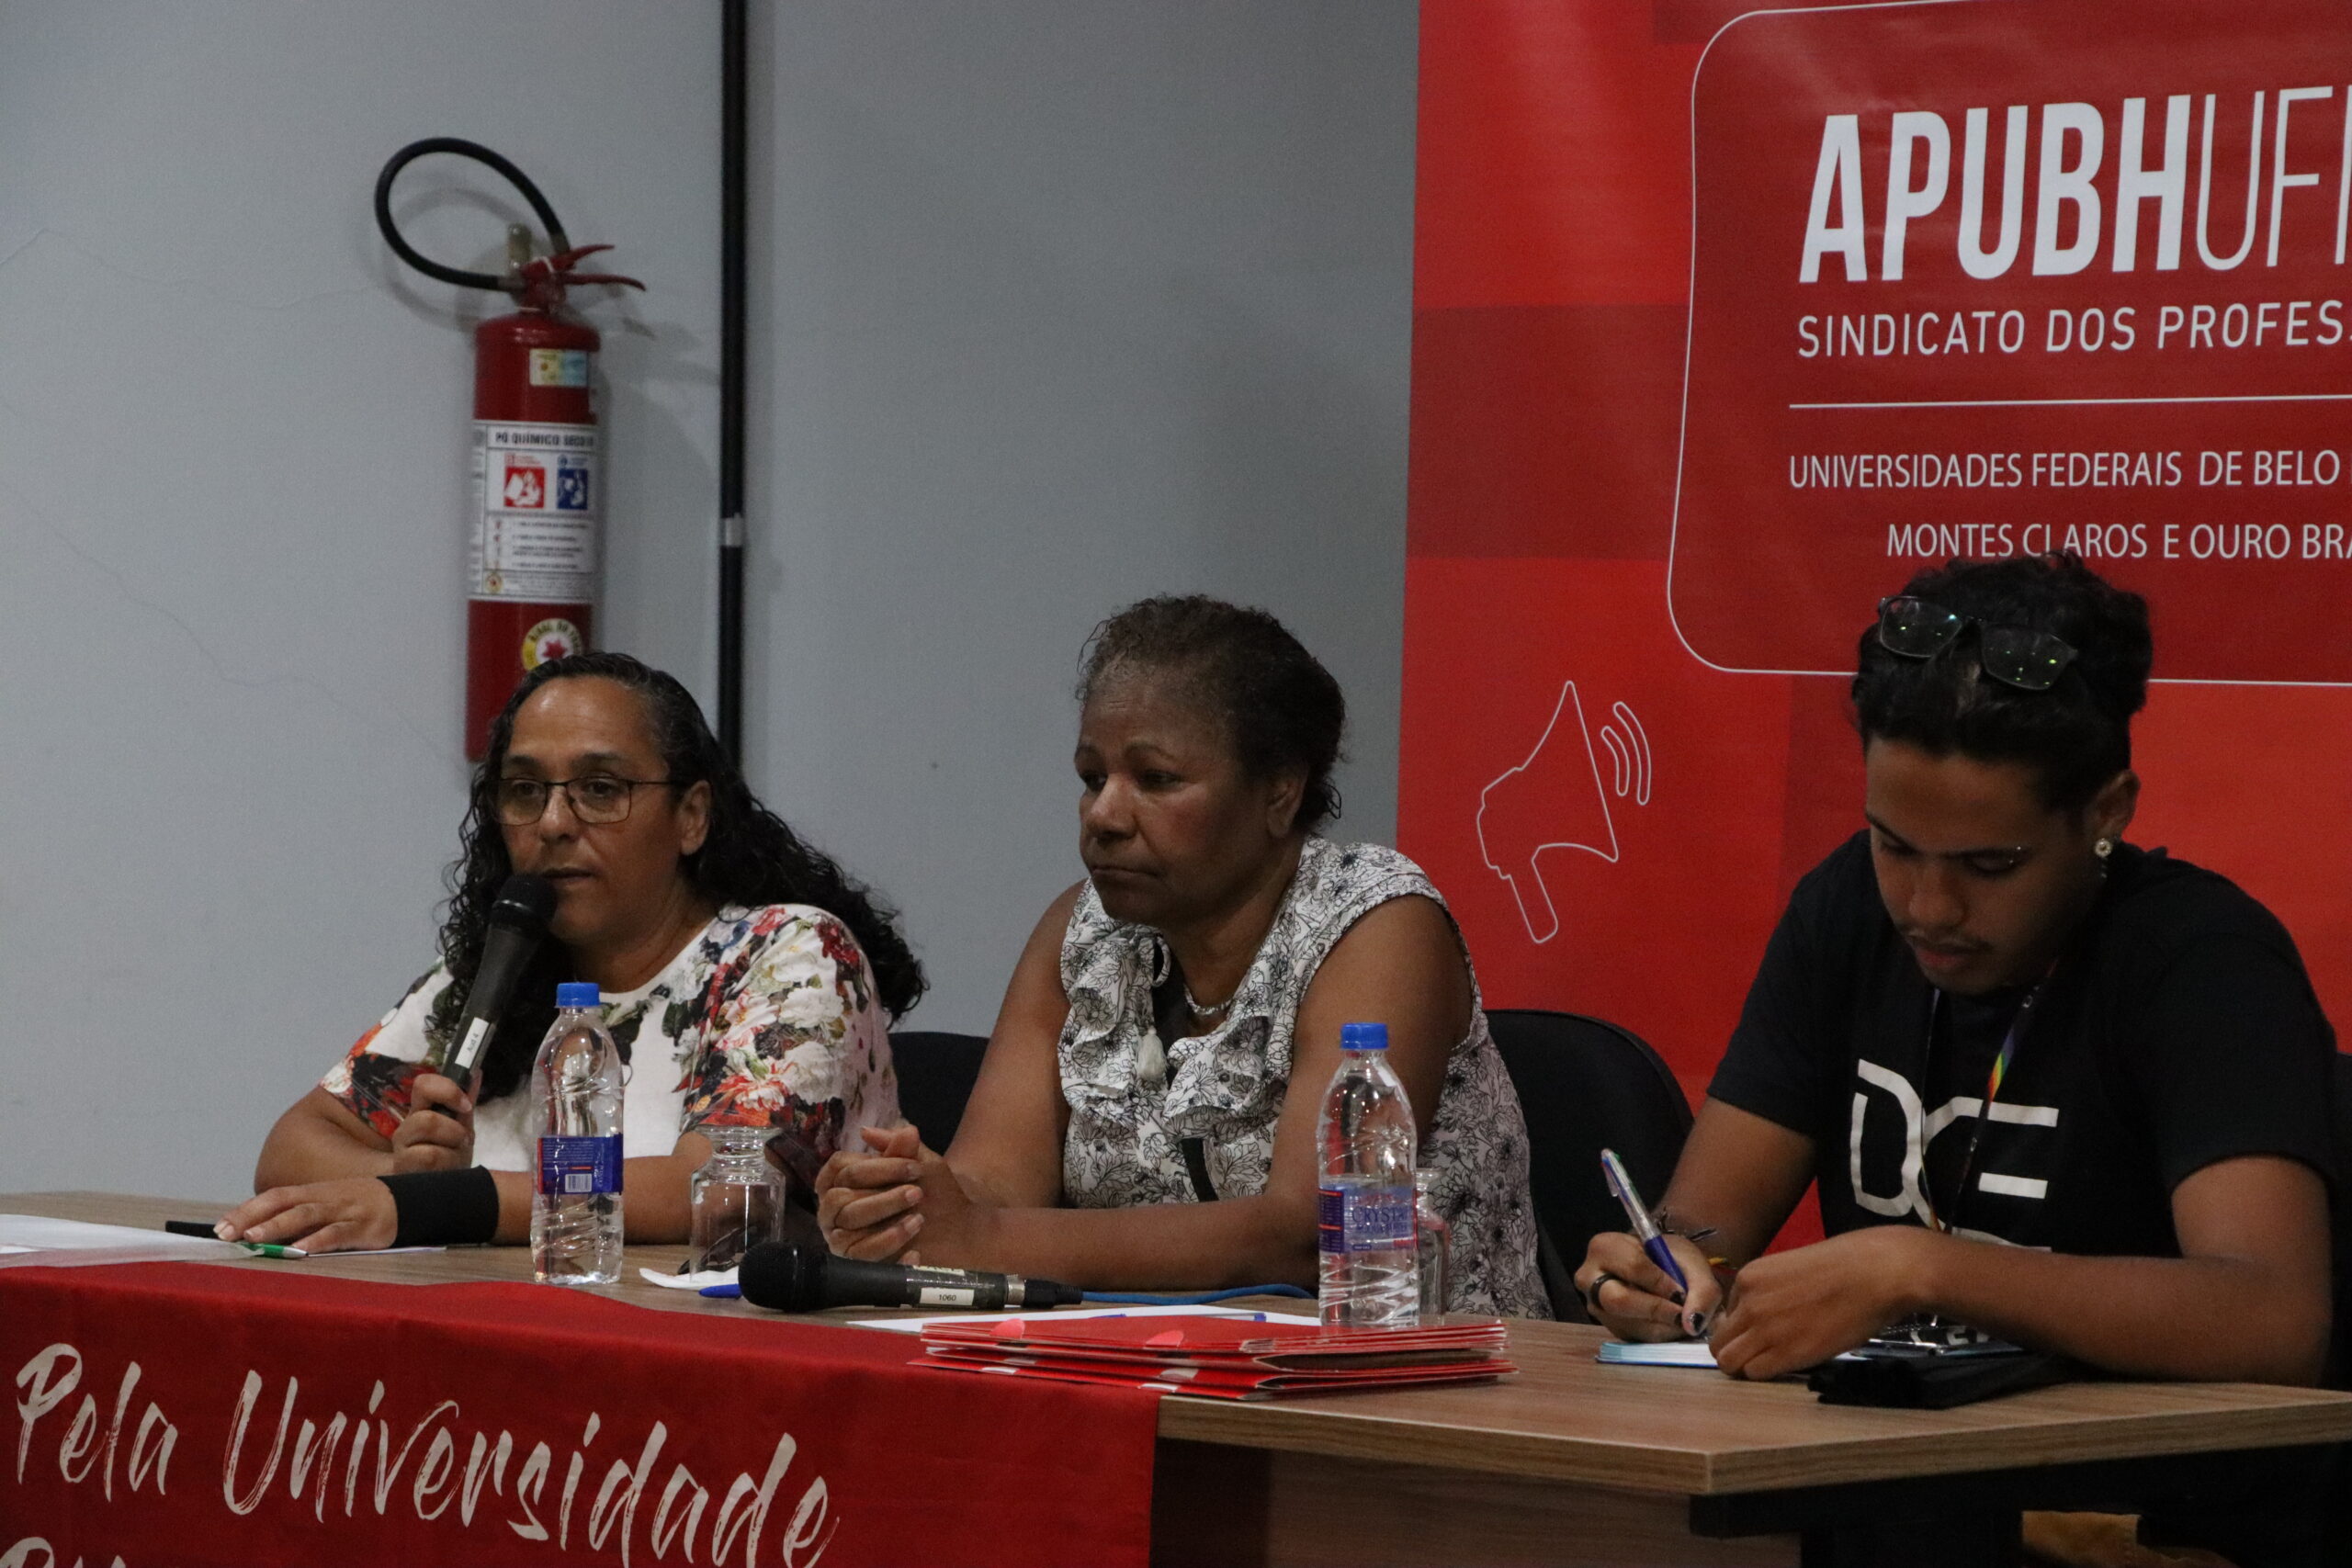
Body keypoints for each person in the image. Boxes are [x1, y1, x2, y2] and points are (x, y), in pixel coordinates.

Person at [1577, 554, 2339, 1562]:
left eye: (1990, 864)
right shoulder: (1843, 911)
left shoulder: (2203, 960)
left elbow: (2273, 1319)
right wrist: (1660, 1273)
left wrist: (1923, 1268)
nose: (1928, 908)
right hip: (1887, 1500)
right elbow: (1703, 1230)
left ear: (2106, 812)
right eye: (1894, 846)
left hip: (2146, 1528)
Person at [815, 595, 1548, 1315]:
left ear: (1280, 792)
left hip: (1410, 1373)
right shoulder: (1082, 932)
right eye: (1092, 778)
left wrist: (986, 1237)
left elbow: (1307, 1230)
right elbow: (992, 1188)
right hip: (1137, 1363)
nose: (1104, 815)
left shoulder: (1378, 920)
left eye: (1157, 779)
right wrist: (907, 1207)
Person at [222, 651, 924, 1253]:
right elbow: (292, 1148)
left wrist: (448, 1201)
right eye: (526, 791)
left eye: (600, 789)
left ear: (691, 816)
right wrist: (407, 1179)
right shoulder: (500, 968)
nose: (554, 822)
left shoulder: (788, 953)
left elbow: (717, 1185)